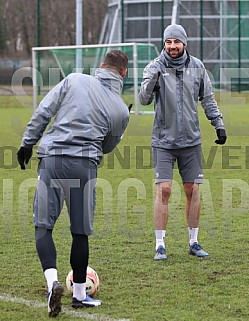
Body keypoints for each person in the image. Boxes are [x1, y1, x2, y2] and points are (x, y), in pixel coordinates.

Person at [17, 50, 131, 317]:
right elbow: (107, 146)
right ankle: (79, 295)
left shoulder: (74, 79)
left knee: (43, 226)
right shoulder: (119, 108)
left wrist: (27, 142)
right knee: (80, 232)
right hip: (84, 166)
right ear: (123, 73)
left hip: (53, 160)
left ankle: (52, 283)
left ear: (100, 67)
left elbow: (44, 111)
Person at [139, 24, 227, 260]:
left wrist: (218, 124)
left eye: (176, 42)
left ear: (184, 44)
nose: (172, 46)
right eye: (168, 42)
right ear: (164, 44)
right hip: (163, 140)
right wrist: (152, 80)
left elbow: (208, 99)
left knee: (192, 190)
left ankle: (194, 242)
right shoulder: (154, 66)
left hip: (191, 140)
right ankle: (160, 245)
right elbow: (143, 99)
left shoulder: (197, 67)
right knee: (164, 189)